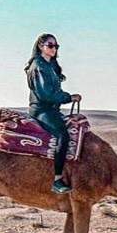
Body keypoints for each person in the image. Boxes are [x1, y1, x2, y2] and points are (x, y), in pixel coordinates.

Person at [25, 33, 81, 194]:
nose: (54, 49)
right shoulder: (38, 66)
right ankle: (57, 180)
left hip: (52, 109)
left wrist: (66, 97)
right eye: (50, 45)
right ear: (40, 46)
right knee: (63, 135)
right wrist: (68, 97)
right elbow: (45, 94)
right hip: (42, 109)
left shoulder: (50, 66)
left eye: (56, 46)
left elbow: (54, 91)